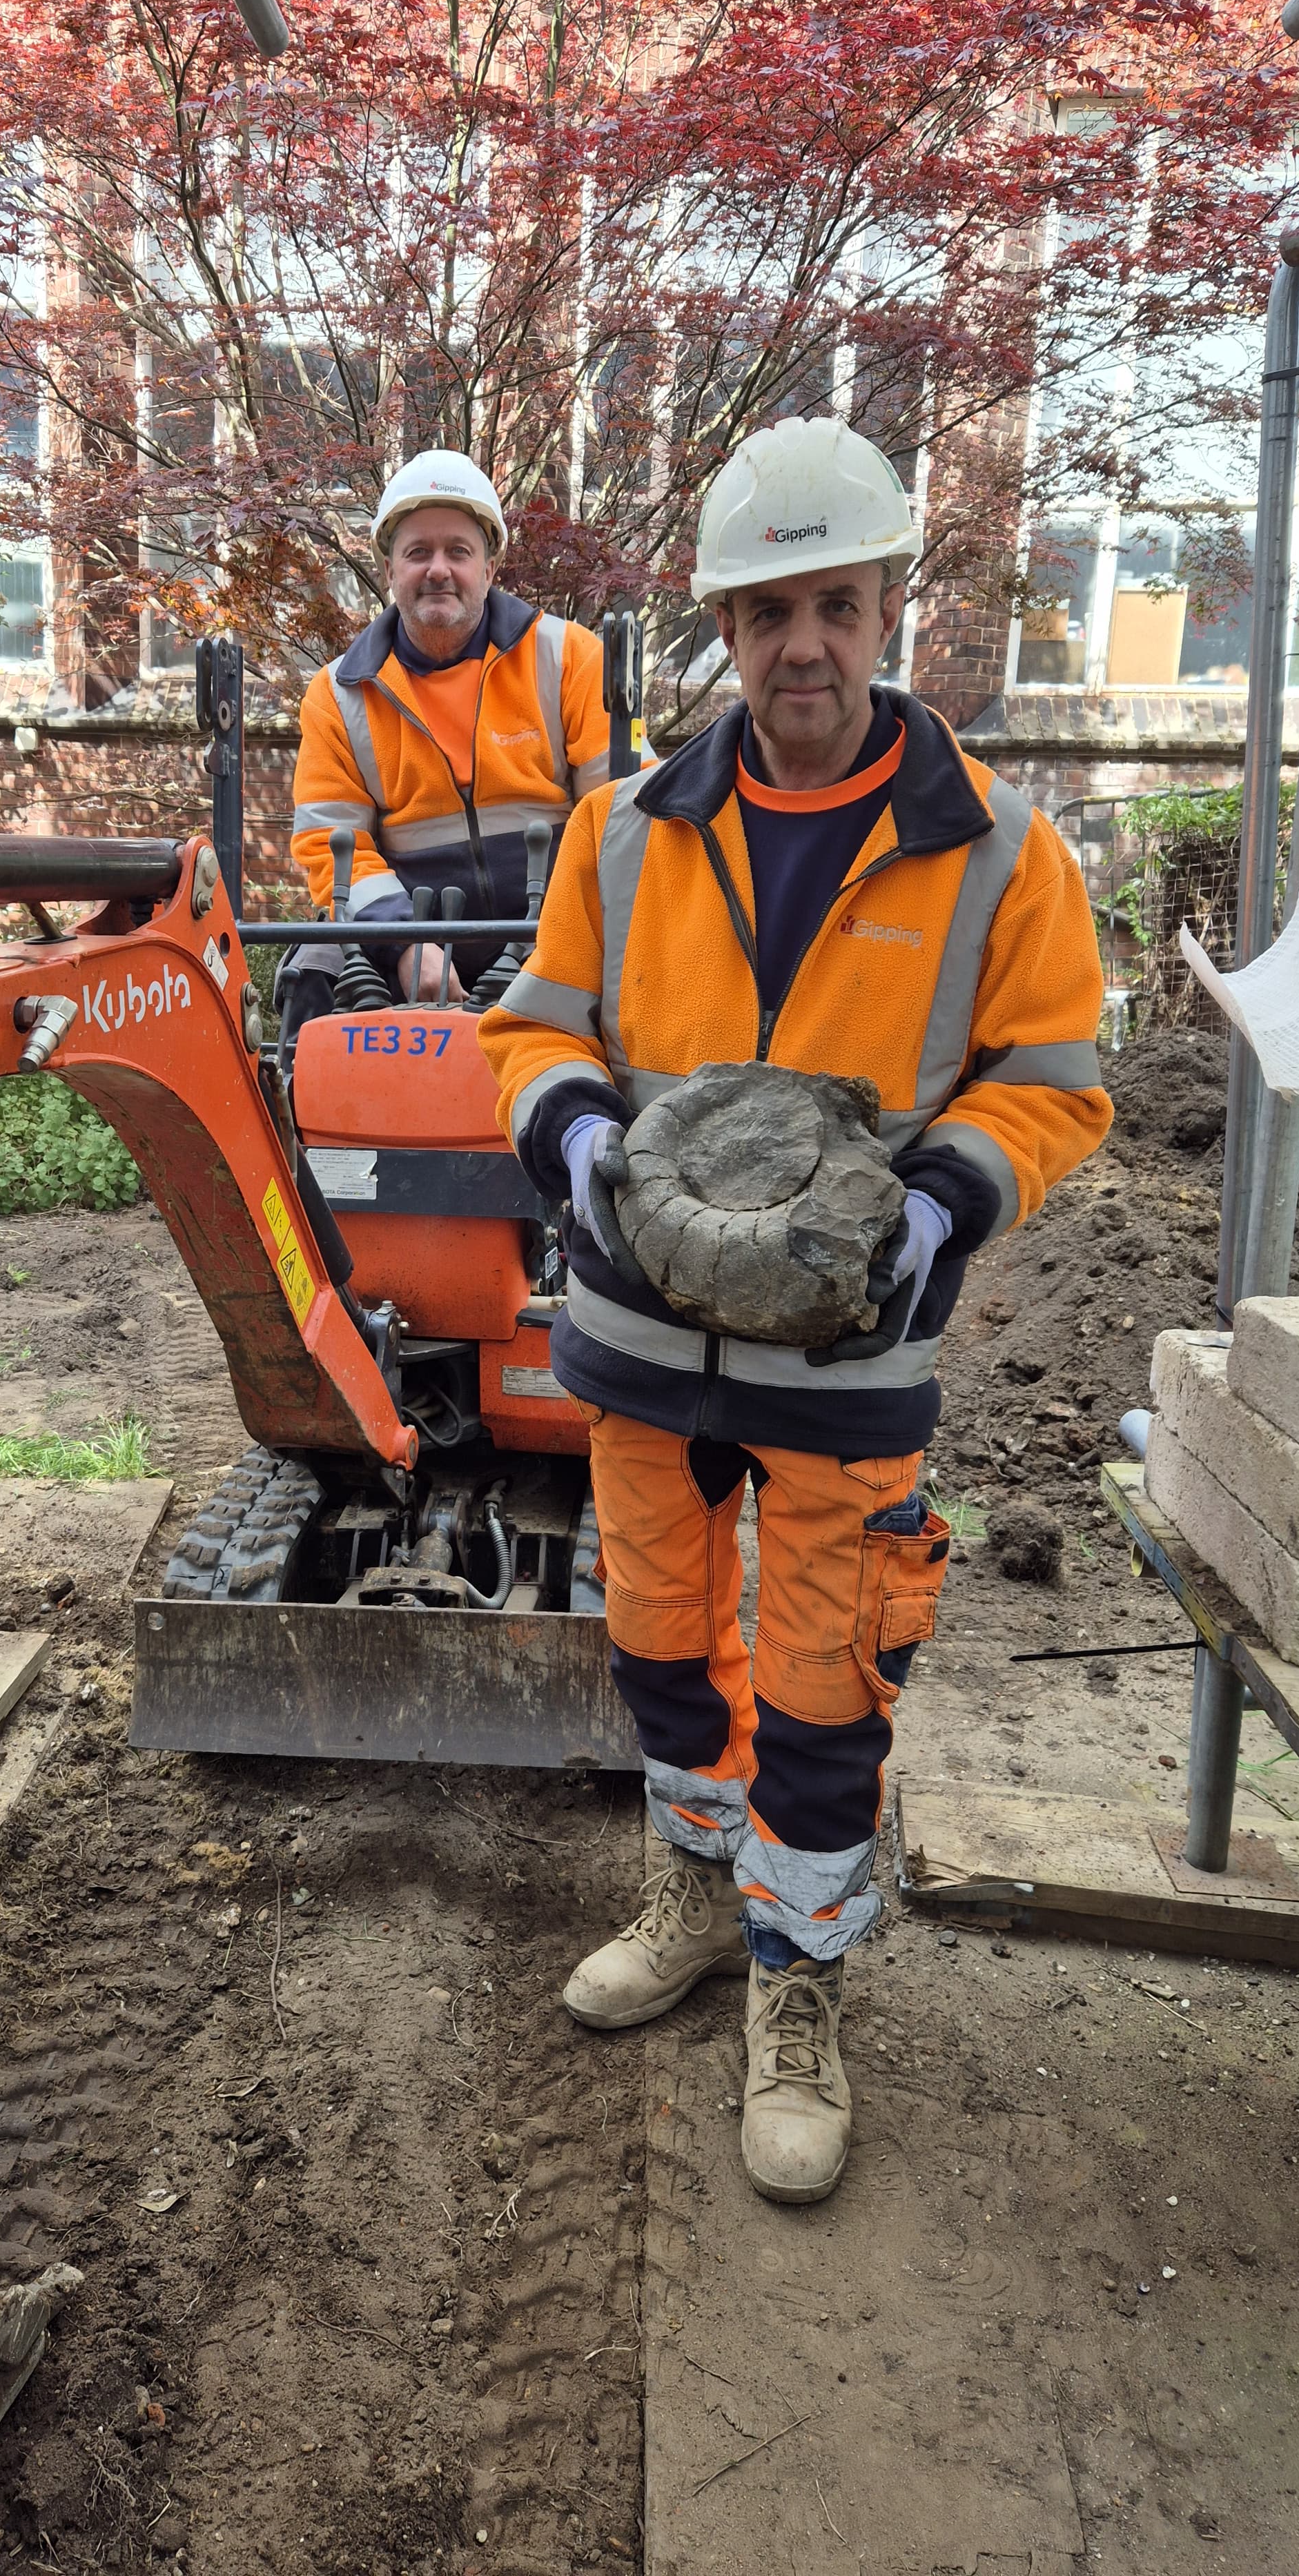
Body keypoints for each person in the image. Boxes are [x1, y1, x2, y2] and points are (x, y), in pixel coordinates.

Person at [478, 415, 1111, 2205]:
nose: (804, 646)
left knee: (827, 1698)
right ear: (728, 628)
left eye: (837, 604)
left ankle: (797, 1979)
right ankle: (691, 1891)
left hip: (849, 1363)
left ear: (889, 603)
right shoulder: (624, 831)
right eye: (770, 612)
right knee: (667, 1654)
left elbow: (1053, 1076)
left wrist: (939, 1203)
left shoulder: (996, 849)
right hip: (639, 1350)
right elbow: (534, 1030)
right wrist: (586, 1147)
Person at [286, 451, 613, 1020]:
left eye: (458, 551)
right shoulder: (338, 695)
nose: (438, 569)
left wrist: (562, 931)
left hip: (559, 924)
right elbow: (331, 849)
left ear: (489, 569)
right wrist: (408, 944)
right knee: (313, 961)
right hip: (410, 933)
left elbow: (624, 815)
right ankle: (295, 1107)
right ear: (390, 571)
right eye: (418, 553)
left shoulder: (571, 659)